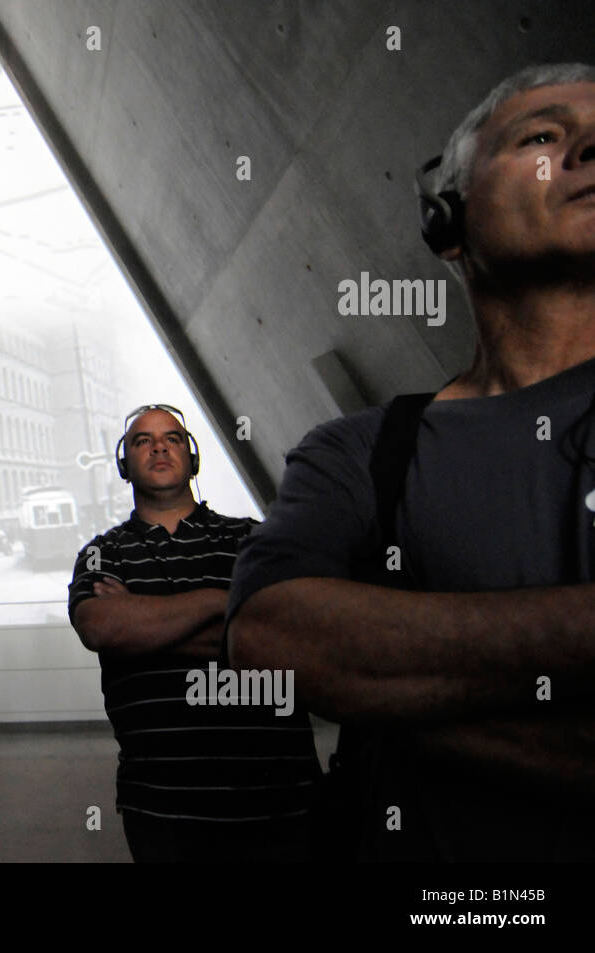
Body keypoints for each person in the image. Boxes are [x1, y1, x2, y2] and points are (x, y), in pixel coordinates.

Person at [226, 63, 595, 860]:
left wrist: (391, 691)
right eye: (541, 136)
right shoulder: (358, 451)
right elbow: (273, 639)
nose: (589, 146)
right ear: (446, 218)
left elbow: (329, 660)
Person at [69, 404, 319, 862]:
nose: (159, 446)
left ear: (192, 457)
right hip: (163, 804)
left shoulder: (255, 539)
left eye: (173, 438)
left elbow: (293, 633)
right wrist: (226, 601)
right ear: (124, 464)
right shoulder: (101, 554)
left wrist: (145, 631)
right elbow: (102, 625)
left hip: (280, 795)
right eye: (143, 440)